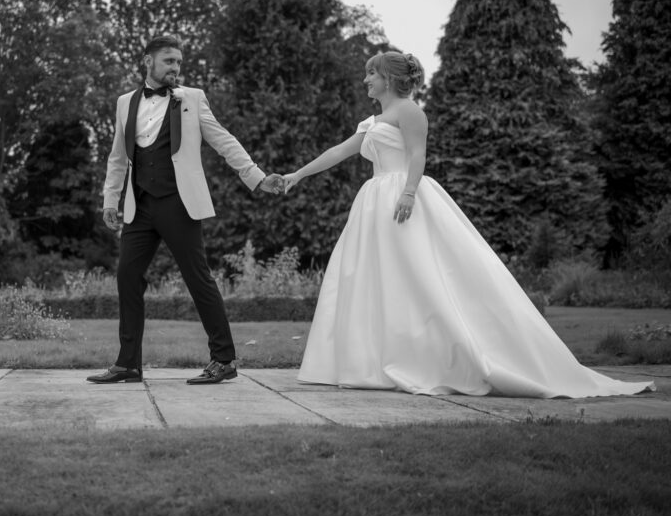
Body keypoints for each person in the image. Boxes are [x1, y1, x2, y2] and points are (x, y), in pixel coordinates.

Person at [282, 51, 654, 398]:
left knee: (421, 275)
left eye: (371, 74)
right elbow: (339, 151)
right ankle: (373, 360)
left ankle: (439, 357)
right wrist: (297, 175)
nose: (366, 80)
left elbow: (417, 154)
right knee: (376, 278)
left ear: (389, 79)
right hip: (373, 204)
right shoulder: (372, 122)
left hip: (402, 198)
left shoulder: (410, 112)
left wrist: (409, 192)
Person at [88, 35, 283, 385]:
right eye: (169, 61)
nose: (175, 68)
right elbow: (118, 156)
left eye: (178, 62)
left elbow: (223, 139)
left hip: (179, 203)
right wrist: (110, 199)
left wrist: (257, 177)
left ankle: (224, 360)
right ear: (148, 61)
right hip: (139, 205)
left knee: (197, 278)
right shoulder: (124, 103)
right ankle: (128, 364)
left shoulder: (192, 98)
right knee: (127, 277)